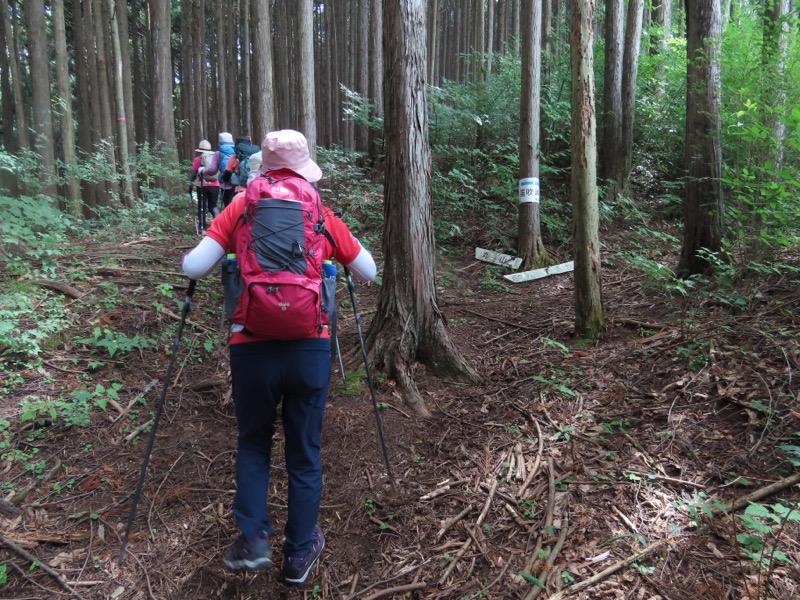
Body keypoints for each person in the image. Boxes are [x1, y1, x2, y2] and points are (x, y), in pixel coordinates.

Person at [181, 130, 377, 585]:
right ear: (306, 169)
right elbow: (368, 271)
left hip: (251, 346)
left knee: (253, 442)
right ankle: (298, 553)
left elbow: (194, 266)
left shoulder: (241, 206)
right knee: (304, 453)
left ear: (263, 167)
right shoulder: (321, 213)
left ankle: (252, 540)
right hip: (310, 346)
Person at [189, 139, 221, 230]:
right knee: (213, 206)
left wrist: (190, 186)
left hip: (202, 185)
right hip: (215, 185)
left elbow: (194, 173)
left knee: (201, 206)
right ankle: (218, 224)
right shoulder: (215, 158)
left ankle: (202, 226)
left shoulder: (198, 159)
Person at [201, 132, 237, 209]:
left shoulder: (218, 153)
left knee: (228, 207)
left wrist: (203, 172)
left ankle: (227, 220)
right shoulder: (237, 151)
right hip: (238, 184)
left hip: (226, 184)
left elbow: (213, 170)